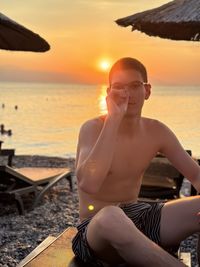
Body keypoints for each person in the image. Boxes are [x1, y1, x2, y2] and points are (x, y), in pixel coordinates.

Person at [72, 57, 200, 267]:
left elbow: (195, 175)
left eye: (134, 86)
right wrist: (113, 119)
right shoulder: (92, 128)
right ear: (108, 92)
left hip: (139, 217)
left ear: (147, 91)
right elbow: (89, 183)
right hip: (96, 230)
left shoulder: (156, 131)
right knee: (111, 216)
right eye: (119, 87)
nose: (126, 94)